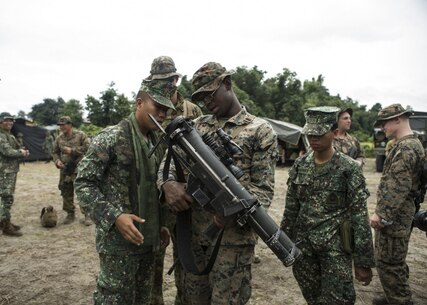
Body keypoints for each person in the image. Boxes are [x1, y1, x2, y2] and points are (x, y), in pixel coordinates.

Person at [158, 62, 277, 305]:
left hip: (232, 241)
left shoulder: (260, 131)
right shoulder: (197, 127)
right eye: (200, 98)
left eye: (210, 94)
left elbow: (263, 190)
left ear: (227, 84)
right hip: (193, 239)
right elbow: (170, 161)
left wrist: (234, 211)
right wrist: (167, 183)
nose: (206, 102)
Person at [74, 82, 175, 305]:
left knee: (142, 299)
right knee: (114, 298)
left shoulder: (156, 143)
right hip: (118, 245)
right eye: (157, 107)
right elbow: (83, 184)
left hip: (148, 242)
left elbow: (154, 188)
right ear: (139, 103)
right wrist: (115, 217)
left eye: (166, 111)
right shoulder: (111, 137)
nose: (162, 114)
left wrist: (162, 223)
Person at [280, 106, 375, 304]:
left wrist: (363, 261)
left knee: (339, 299)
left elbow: (360, 217)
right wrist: (284, 244)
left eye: (319, 135)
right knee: (313, 298)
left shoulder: (348, 168)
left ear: (334, 132)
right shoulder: (300, 165)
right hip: (304, 249)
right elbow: (291, 209)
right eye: (310, 135)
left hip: (335, 249)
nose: (313, 139)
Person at [145, 56, 203, 305]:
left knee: (186, 257)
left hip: (185, 196)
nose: (163, 86)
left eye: (168, 81)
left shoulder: (192, 111)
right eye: (156, 81)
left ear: (176, 80)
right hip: (155, 197)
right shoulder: (148, 109)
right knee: (153, 259)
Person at [370, 104, 425, 305]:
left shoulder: (406, 147)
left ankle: (400, 300)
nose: (382, 127)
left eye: (384, 122)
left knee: (389, 262)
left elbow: (398, 185)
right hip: (400, 213)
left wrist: (382, 214)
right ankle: (395, 297)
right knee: (394, 260)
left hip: (395, 216)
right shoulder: (408, 144)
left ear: (398, 119)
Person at [52, 116, 90, 225]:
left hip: (79, 168)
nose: (61, 127)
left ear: (70, 124)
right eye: (60, 125)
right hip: (65, 169)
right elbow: (55, 152)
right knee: (66, 191)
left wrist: (73, 151)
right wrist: (57, 161)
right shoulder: (59, 138)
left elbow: (89, 149)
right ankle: (70, 213)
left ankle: (87, 215)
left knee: (83, 191)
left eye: (63, 125)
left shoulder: (81, 135)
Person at [0, 112, 30, 236]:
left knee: (7, 197)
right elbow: (7, 151)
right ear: (0, 122)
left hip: (10, 170)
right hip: (5, 171)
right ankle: (6, 226)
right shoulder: (1, 136)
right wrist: (21, 152)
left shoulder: (9, 134)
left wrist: (23, 151)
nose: (9, 123)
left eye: (11, 120)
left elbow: (16, 147)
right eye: (6, 120)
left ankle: (4, 222)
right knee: (6, 198)